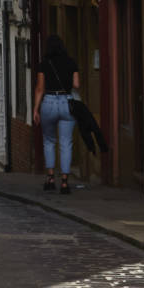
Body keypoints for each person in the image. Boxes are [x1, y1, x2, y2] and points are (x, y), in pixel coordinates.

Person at [32, 35, 81, 194]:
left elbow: (40, 88)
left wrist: (35, 109)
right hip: (67, 102)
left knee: (49, 141)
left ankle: (51, 178)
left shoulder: (44, 64)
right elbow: (76, 84)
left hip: (49, 102)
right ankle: (65, 181)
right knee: (66, 143)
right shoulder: (71, 62)